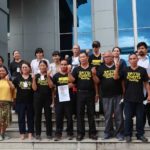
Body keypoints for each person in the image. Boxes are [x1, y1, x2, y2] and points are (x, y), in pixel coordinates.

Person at [94, 51, 124, 141]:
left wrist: (123, 93)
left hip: (117, 95)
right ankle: (108, 133)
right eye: (105, 57)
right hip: (106, 96)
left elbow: (120, 79)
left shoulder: (118, 66)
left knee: (119, 116)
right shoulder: (101, 67)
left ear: (112, 57)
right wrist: (94, 74)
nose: (106, 58)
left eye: (108, 57)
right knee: (107, 116)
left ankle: (119, 133)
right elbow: (97, 81)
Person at [69, 51, 98, 141]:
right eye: (80, 57)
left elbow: (97, 82)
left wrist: (97, 94)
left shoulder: (92, 68)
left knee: (91, 114)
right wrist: (68, 72)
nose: (82, 58)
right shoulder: (76, 69)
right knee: (80, 114)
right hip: (80, 93)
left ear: (87, 58)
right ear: (79, 59)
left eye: (84, 57)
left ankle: (92, 133)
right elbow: (72, 80)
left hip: (90, 93)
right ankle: (80, 133)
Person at [123, 53, 150, 142]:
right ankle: (127, 134)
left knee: (140, 118)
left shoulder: (142, 70)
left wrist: (149, 95)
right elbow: (121, 83)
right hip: (128, 98)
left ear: (137, 59)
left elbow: (146, 83)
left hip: (139, 98)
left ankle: (140, 134)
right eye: (131, 58)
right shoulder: (125, 70)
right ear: (129, 60)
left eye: (134, 58)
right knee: (128, 118)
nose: (133, 60)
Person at [53, 59, 73, 141]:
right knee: (59, 117)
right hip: (59, 99)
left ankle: (70, 133)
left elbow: (73, 82)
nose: (64, 66)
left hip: (69, 99)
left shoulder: (70, 74)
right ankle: (58, 134)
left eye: (65, 64)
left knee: (69, 117)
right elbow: (52, 87)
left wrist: (68, 72)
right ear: (60, 65)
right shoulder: (56, 76)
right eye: (62, 64)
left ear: (67, 65)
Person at [32, 60, 53, 140]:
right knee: (37, 116)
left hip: (47, 99)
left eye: (44, 65)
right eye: (41, 65)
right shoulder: (36, 76)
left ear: (46, 67)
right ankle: (38, 134)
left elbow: (51, 86)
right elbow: (34, 88)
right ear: (38, 67)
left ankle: (49, 133)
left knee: (48, 116)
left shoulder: (49, 76)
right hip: (37, 99)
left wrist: (47, 76)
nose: (42, 67)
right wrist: (33, 79)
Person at [13, 61, 34, 140]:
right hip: (20, 101)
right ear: (21, 69)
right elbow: (13, 87)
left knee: (30, 118)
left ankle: (30, 133)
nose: (24, 68)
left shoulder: (32, 77)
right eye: (23, 67)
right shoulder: (17, 78)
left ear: (29, 68)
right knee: (21, 118)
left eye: (26, 67)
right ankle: (22, 133)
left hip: (30, 101)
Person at [137, 42, 150, 127]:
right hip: (138, 89)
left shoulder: (149, 60)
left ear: (146, 49)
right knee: (140, 113)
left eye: (142, 48)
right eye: (139, 48)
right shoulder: (135, 60)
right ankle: (140, 133)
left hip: (148, 87)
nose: (141, 50)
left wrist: (145, 76)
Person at [0, 66, 15, 141]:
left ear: (6, 72)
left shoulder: (9, 81)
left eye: (3, 70)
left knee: (6, 120)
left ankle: (2, 133)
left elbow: (12, 88)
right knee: (0, 119)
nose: (1, 72)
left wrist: (8, 80)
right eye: (0, 71)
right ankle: (1, 134)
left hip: (7, 102)